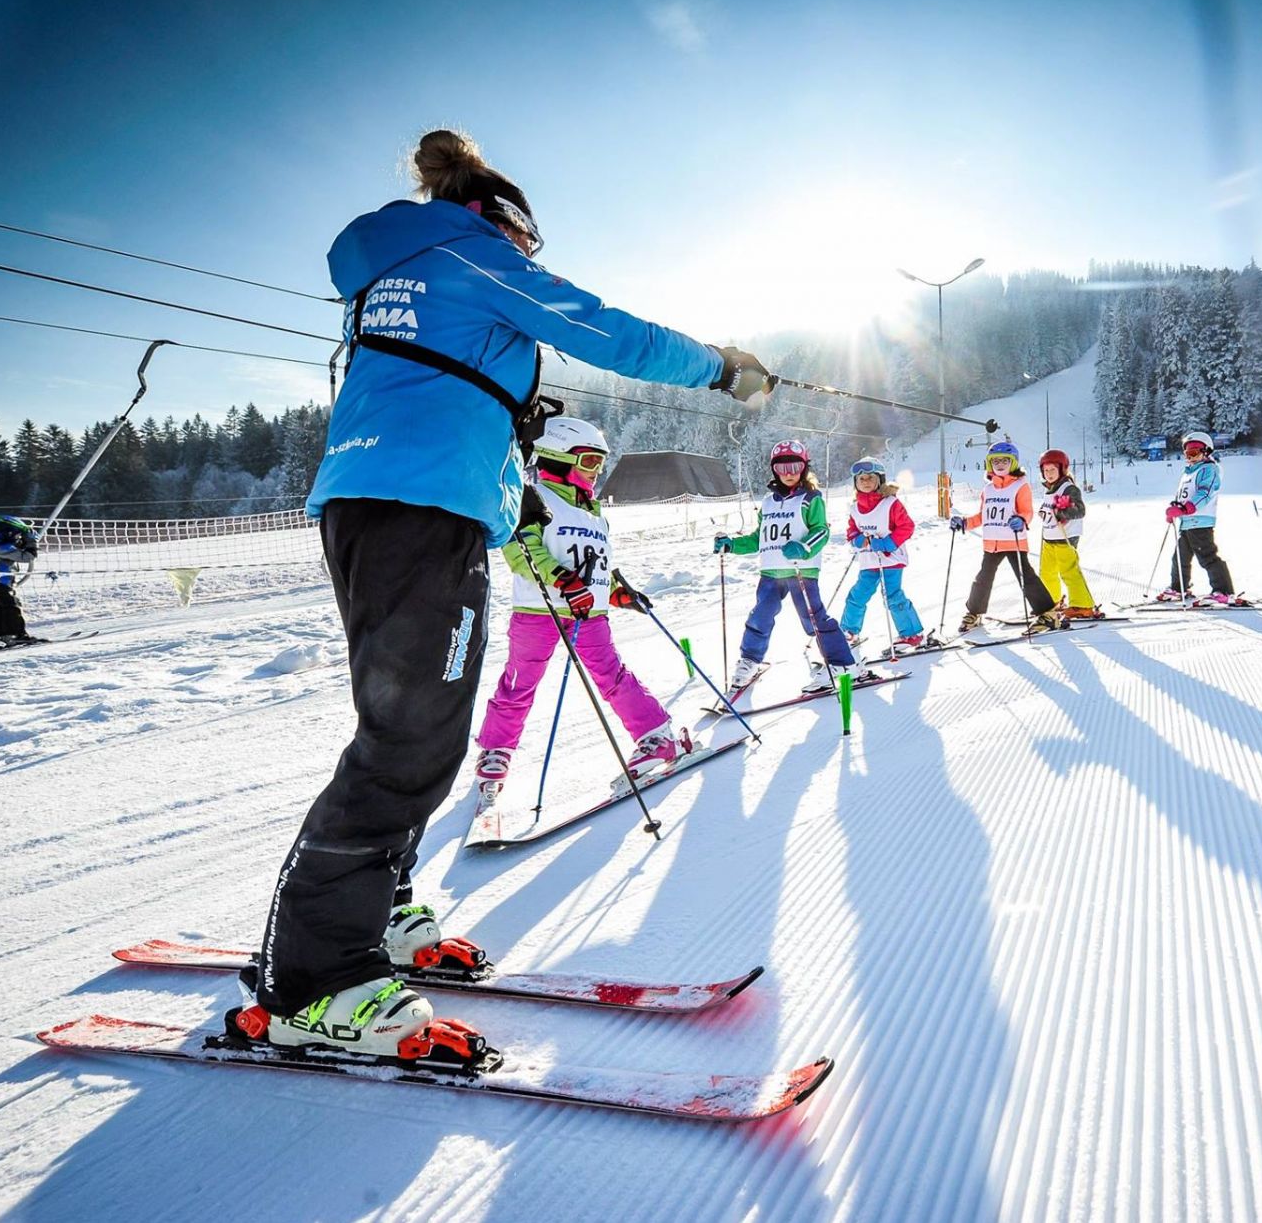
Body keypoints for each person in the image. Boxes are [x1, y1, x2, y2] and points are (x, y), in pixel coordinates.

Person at [239, 128, 773, 1061]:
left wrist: (521, 508)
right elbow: (608, 332)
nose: (530, 255)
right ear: (499, 216)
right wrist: (726, 367)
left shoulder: (392, 272)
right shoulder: (471, 252)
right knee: (409, 738)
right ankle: (314, 980)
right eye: (527, 237)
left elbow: (441, 399)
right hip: (421, 510)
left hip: (381, 501)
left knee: (413, 723)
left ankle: (383, 910)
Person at [470, 416, 680, 808]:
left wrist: (618, 592)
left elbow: (598, 565)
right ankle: (496, 750)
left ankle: (656, 734)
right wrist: (563, 580)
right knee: (519, 683)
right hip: (539, 610)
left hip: (590, 614)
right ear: (558, 458)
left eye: (600, 464)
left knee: (611, 675)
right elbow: (521, 552)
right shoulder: (533, 498)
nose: (596, 472)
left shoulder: (595, 513)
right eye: (588, 462)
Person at [718, 441, 860, 691]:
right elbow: (757, 538)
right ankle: (749, 660)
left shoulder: (810, 498)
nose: (789, 473)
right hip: (771, 571)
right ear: (774, 471)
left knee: (813, 618)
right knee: (761, 616)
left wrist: (805, 547)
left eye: (795, 466)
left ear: (804, 467)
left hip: (800, 570)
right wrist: (732, 545)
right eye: (782, 468)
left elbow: (822, 531)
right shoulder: (769, 502)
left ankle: (842, 663)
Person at [951, 440, 1060, 633]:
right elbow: (983, 516)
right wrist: (964, 522)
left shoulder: (1020, 486)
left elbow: (1027, 511)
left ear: (1014, 463)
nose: (1000, 464)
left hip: (1013, 540)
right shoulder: (988, 489)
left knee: (1026, 577)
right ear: (989, 464)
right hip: (992, 543)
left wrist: (1021, 519)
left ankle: (1048, 614)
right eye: (995, 461)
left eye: (1005, 460)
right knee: (983, 578)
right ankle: (974, 613)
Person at [837, 457, 924, 651]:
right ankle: (849, 631)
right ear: (855, 483)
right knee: (857, 595)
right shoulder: (854, 508)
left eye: (870, 477)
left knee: (892, 596)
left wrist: (887, 543)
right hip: (868, 560)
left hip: (891, 559)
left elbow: (907, 527)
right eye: (861, 479)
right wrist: (856, 539)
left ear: (880, 480)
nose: (865, 481)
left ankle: (912, 634)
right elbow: (851, 530)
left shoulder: (890, 503)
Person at [1157, 431, 1236, 603]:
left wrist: (1186, 508)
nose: (1190, 457)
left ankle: (1223, 591)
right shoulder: (1188, 473)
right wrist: (1175, 509)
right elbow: (1183, 496)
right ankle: (1178, 588)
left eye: (1194, 452)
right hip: (1186, 523)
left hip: (1201, 521)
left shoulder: (1209, 469)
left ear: (1206, 451)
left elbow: (1205, 492)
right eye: (1187, 453)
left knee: (1207, 556)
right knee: (1179, 557)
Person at [1035, 448, 1100, 618]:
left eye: (1052, 470)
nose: (1049, 474)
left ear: (1062, 469)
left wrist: (1063, 511)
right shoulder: (1049, 489)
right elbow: (1047, 508)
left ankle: (1082, 605)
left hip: (1065, 537)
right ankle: (1051, 602)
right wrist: (1043, 512)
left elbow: (1080, 510)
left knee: (1068, 571)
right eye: (1046, 470)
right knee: (1046, 572)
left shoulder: (1068, 488)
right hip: (1049, 537)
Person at [0, 515, 37, 644]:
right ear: (9, 532)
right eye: (17, 535)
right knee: (12, 606)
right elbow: (27, 557)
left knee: (0, 608)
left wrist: (23, 543)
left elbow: (12, 551)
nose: (18, 538)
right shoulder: (2, 548)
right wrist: (31, 542)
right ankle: (16, 635)